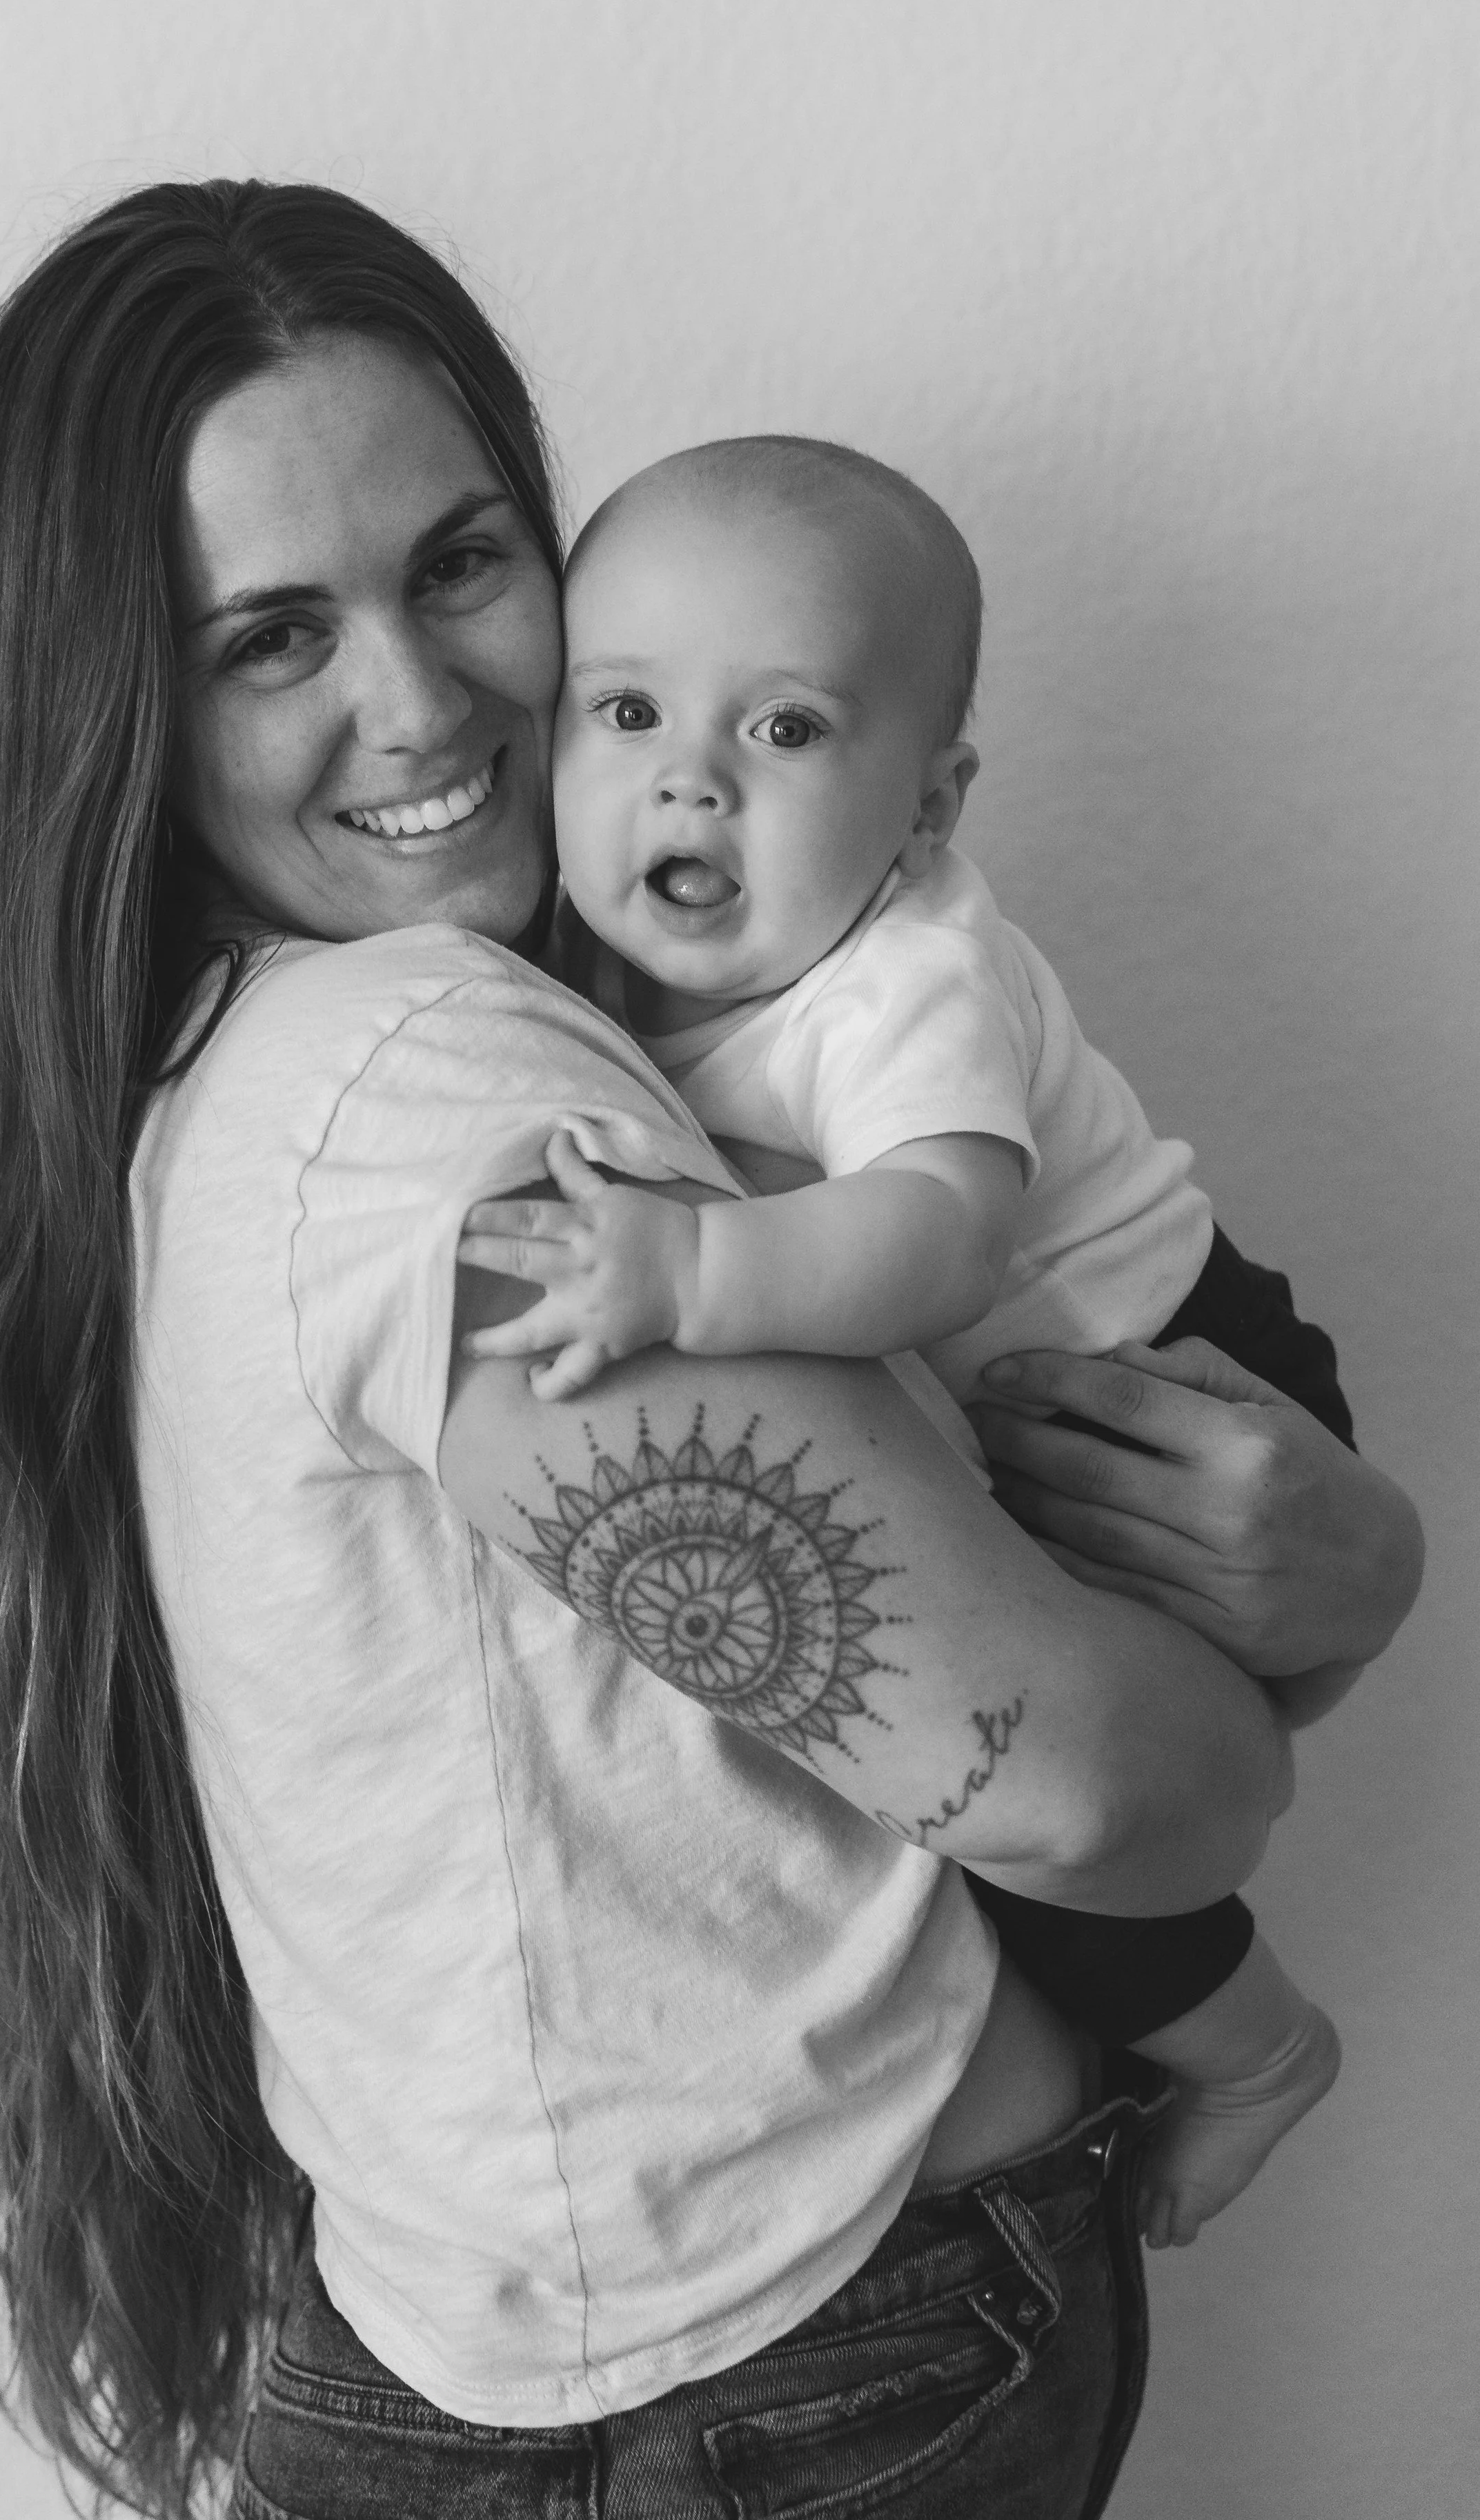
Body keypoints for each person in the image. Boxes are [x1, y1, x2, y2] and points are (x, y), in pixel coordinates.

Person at [0, 180, 1423, 2520]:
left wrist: (1336, 1549)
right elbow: (1107, 1789)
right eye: (269, 637)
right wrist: (1330, 1634)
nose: (418, 704)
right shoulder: (439, 1097)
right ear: (108, 698)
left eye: (463, 564)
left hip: (558, 2339)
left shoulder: (253, 1052)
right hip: (787, 2365)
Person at [460, 434, 1346, 2250]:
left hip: (1175, 1380)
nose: (686, 780)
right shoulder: (627, 953)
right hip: (1043, 1422)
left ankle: (1255, 2050)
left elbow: (938, 1240)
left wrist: (683, 1282)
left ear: (928, 807)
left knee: (1026, 1805)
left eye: (781, 730)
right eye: (622, 710)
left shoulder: (903, 975)